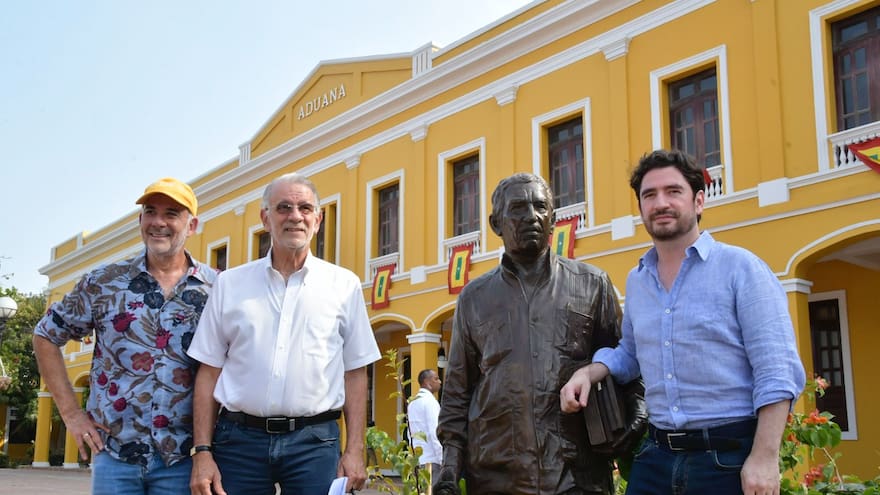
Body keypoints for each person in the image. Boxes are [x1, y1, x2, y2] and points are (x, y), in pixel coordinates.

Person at [560, 149, 806, 495]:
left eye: (673, 191)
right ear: (641, 207)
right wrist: (588, 373)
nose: (661, 203)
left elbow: (777, 370)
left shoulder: (742, 269)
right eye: (649, 195)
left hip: (728, 460)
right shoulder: (637, 280)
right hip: (656, 459)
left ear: (699, 201)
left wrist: (764, 458)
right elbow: (630, 353)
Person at [435, 173, 646, 495]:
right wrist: (450, 467)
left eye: (540, 206)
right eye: (518, 208)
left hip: (578, 475)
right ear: (495, 224)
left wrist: (637, 415)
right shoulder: (473, 298)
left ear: (553, 218)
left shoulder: (592, 284)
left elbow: (625, 363)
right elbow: (457, 393)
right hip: (496, 477)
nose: (531, 216)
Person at [187, 172, 381, 495]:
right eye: (283, 208)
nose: (295, 216)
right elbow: (208, 373)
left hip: (314, 444)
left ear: (317, 220)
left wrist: (355, 450)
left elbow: (355, 372)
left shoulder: (344, 286)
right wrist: (202, 452)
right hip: (238, 444)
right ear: (265, 218)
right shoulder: (230, 284)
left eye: (305, 208)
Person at [33, 177, 215, 495]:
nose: (158, 222)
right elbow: (46, 335)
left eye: (171, 213)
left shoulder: (216, 289)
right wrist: (72, 414)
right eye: (150, 212)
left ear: (192, 226)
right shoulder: (103, 283)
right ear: (140, 220)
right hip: (115, 457)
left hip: (184, 461)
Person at [408, 369, 443, 487]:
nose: (440, 381)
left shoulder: (413, 403)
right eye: (436, 379)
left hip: (418, 459)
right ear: (427, 383)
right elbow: (435, 432)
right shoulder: (430, 402)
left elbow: (410, 432)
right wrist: (441, 458)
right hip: (431, 460)